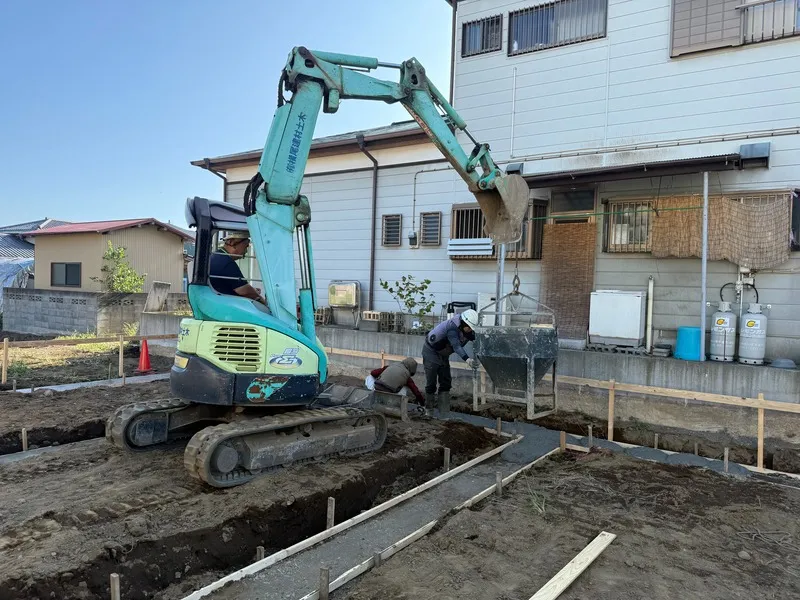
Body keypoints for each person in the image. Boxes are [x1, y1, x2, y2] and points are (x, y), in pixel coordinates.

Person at [422, 309, 479, 415]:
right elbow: (457, 346)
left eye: (472, 328)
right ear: (463, 323)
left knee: (446, 382)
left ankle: (444, 413)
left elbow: (476, 338)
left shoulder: (466, 329)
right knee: (431, 383)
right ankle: (428, 411)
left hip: (443, 354)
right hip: (431, 352)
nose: (470, 330)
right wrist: (468, 359)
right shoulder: (452, 328)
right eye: (469, 327)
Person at [209, 232, 266, 305]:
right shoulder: (226, 262)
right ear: (231, 242)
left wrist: (252, 291)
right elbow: (244, 291)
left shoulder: (217, 256)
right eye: (245, 246)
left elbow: (239, 287)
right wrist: (262, 301)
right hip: (225, 304)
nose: (245, 251)